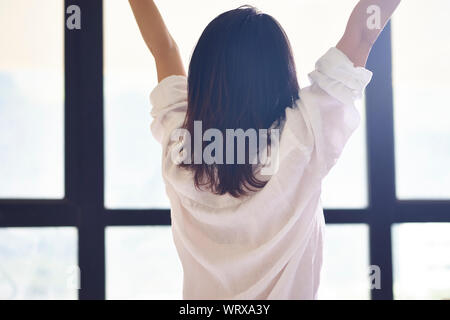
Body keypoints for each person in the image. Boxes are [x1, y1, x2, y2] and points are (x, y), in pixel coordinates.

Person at [128, 0, 402, 299]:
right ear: (280, 73)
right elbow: (363, 32)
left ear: (203, 76)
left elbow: (163, 48)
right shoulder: (305, 132)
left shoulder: (180, 145)